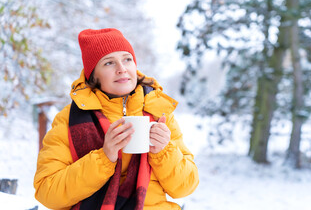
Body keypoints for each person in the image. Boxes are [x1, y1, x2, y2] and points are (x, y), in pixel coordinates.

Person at [33, 28, 199, 210]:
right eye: (109, 63)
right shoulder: (69, 118)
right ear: (93, 76)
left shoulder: (159, 111)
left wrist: (163, 152)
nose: (122, 69)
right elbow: (47, 192)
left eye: (127, 59)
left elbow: (186, 186)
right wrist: (104, 157)